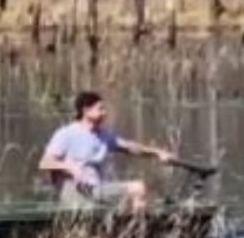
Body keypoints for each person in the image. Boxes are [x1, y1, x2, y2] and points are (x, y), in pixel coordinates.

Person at [38, 90, 174, 211]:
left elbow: (130, 147)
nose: (105, 113)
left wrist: (157, 153)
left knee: (144, 197)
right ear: (86, 110)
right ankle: (136, 232)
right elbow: (44, 162)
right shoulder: (66, 134)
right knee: (138, 188)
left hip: (96, 190)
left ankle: (131, 232)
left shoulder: (104, 135)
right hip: (75, 192)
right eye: (100, 109)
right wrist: (70, 167)